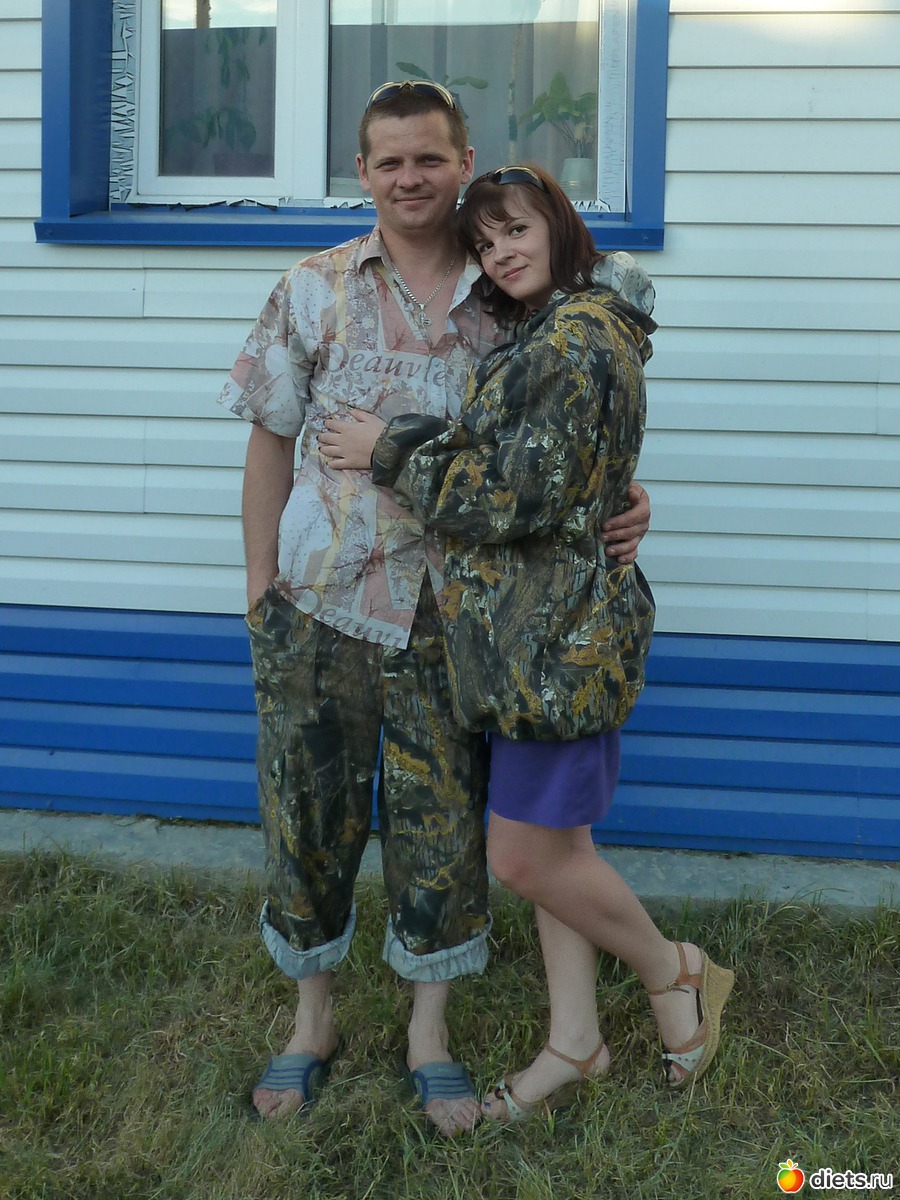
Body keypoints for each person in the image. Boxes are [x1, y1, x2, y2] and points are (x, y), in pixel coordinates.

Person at [218, 82, 651, 1135]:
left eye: (429, 158)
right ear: (362, 174)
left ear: (463, 162)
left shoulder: (512, 291)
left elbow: (572, 426)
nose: (409, 178)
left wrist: (627, 496)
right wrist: (258, 590)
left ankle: (429, 1032)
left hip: (459, 621)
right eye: (389, 162)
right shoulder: (313, 287)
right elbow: (269, 440)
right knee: (309, 820)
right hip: (319, 607)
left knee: (441, 831)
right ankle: (312, 1020)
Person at [321, 164, 734, 1121]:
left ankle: (677, 971)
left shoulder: (573, 340)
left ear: (557, 224)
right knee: (560, 846)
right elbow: (552, 468)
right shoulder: (560, 328)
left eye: (517, 230)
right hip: (531, 644)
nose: (502, 253)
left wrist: (387, 450)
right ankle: (575, 1043)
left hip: (557, 647)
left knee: (524, 859)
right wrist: (614, 495)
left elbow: (509, 496)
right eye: (486, 242)